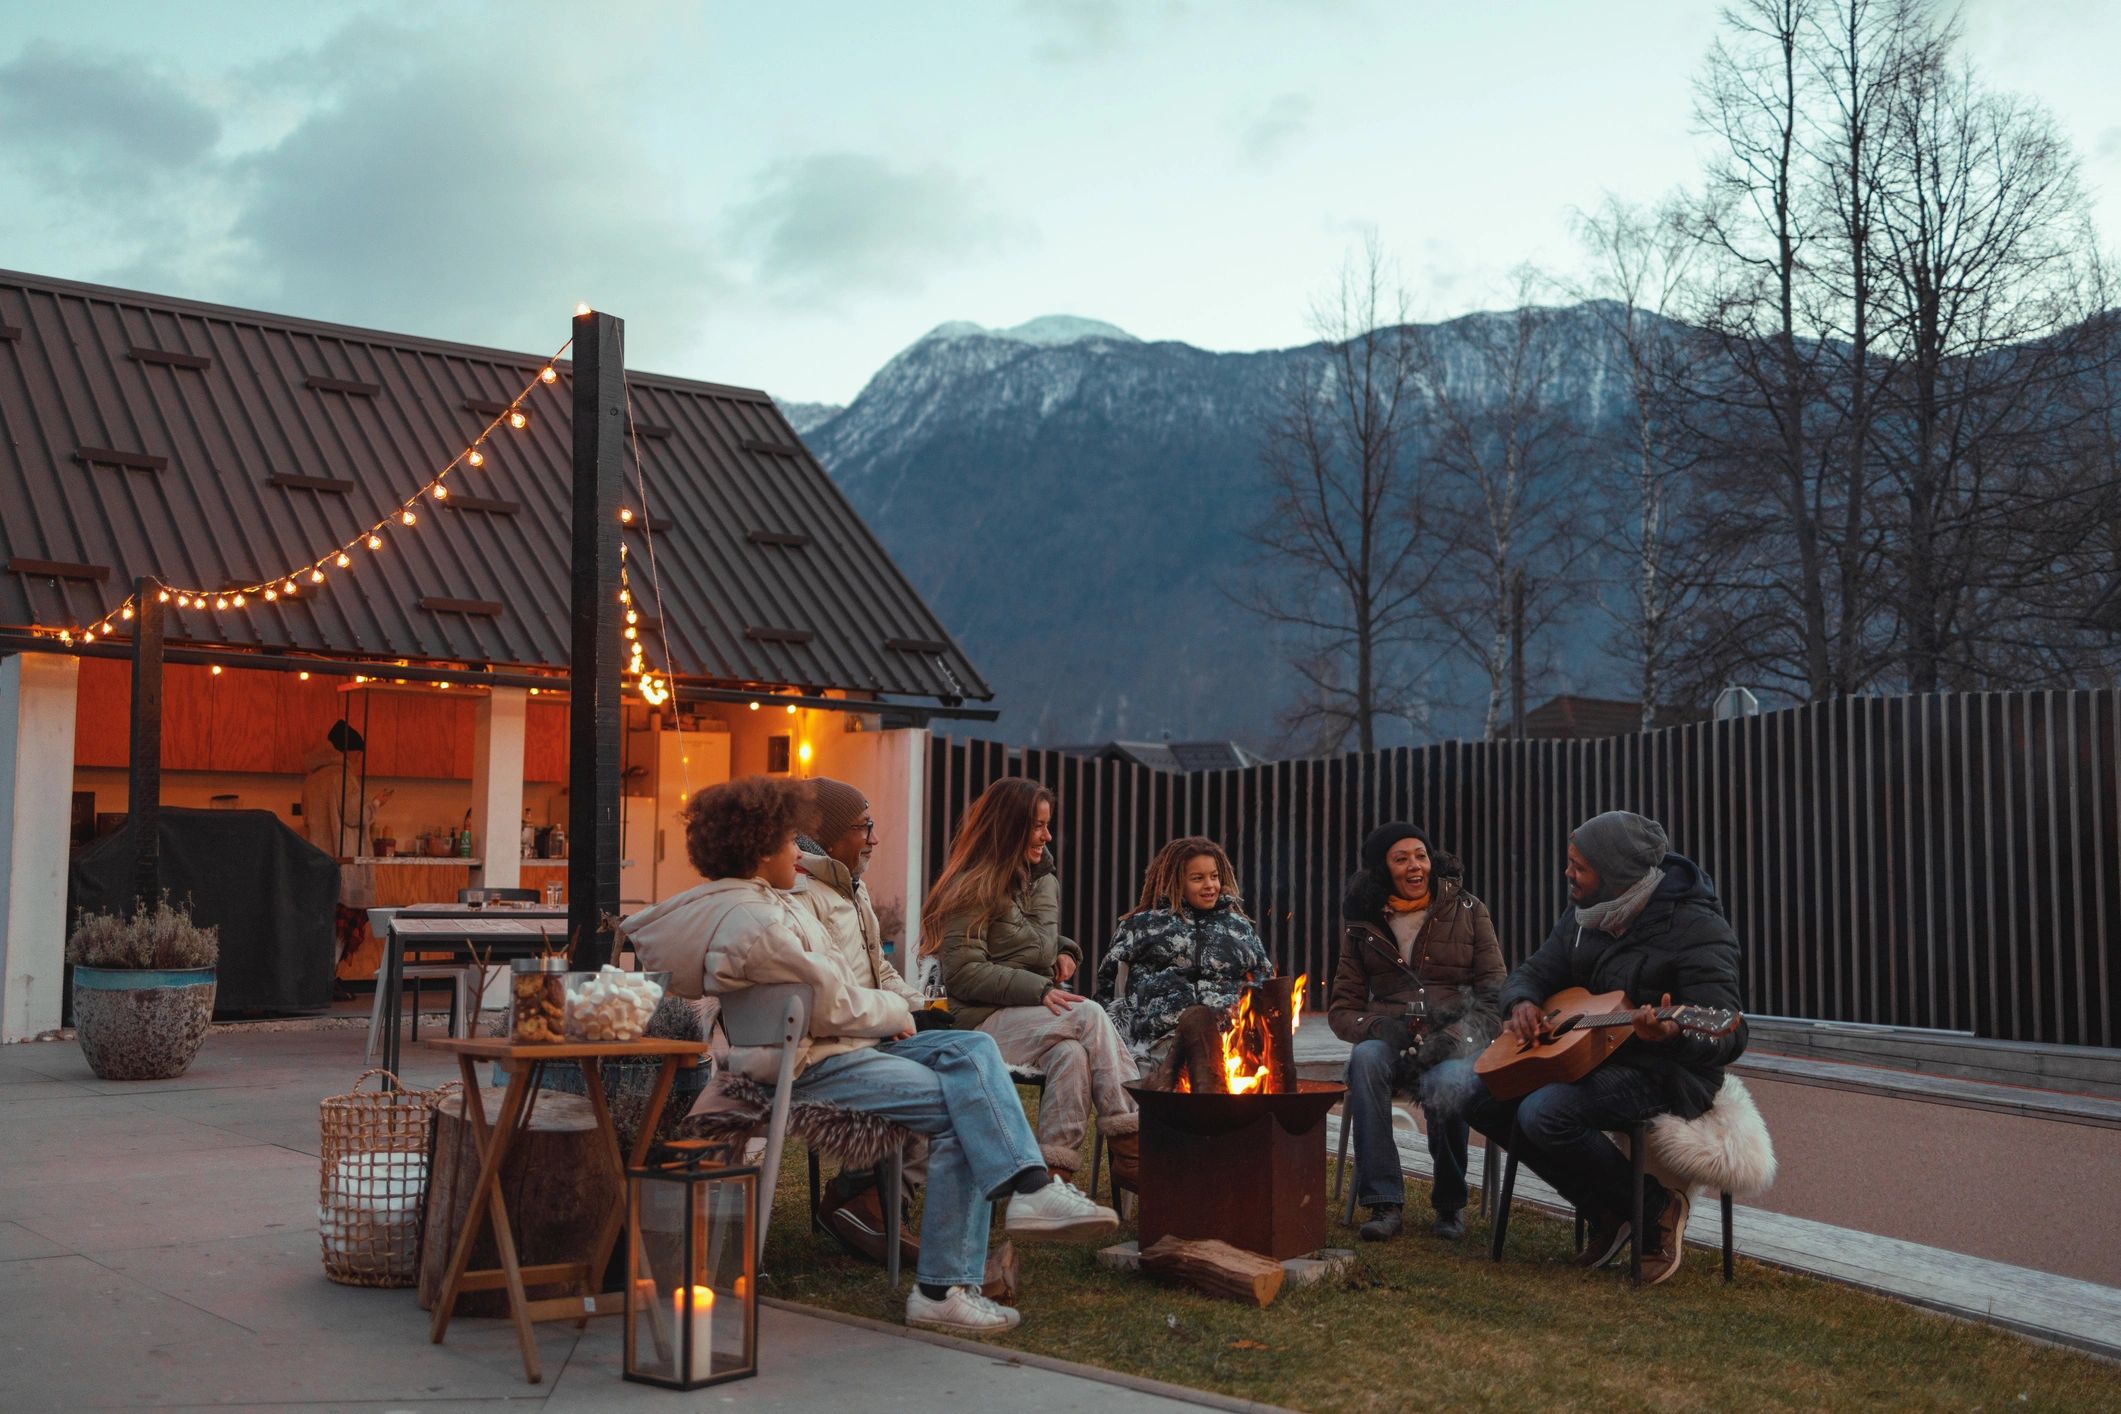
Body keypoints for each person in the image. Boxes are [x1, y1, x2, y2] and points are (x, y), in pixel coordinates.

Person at [626, 776, 1118, 1337]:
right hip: (815, 1063)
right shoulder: (760, 919)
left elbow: (843, 990)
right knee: (965, 1103)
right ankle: (946, 1283)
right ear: (761, 850)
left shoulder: (767, 905)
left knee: (974, 1046)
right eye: (791, 842)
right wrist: (899, 1013)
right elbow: (832, 1006)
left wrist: (911, 1008)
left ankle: (1026, 1191)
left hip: (838, 1047)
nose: (800, 852)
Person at [1466, 810, 1747, 1286]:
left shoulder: (1697, 928)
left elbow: (1729, 1032)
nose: (1567, 873)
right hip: (1590, 1057)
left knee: (1545, 1113)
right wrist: (1522, 1004)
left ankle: (1657, 1208)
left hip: (1665, 1071)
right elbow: (1533, 972)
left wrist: (1674, 1032)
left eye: (1579, 866)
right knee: (1479, 1097)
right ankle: (1609, 1210)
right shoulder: (1583, 918)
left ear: (1615, 876)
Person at [923, 777, 1140, 1186]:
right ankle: (1132, 1148)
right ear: (1008, 827)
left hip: (1025, 1019)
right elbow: (964, 973)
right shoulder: (967, 887)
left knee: (1073, 1054)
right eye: (1038, 826)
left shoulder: (1040, 878)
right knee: (1089, 1014)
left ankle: (1052, 1181)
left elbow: (1025, 937)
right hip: (978, 1025)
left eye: (1047, 824)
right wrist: (1039, 989)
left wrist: (1065, 949)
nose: (1048, 835)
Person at [1328, 822, 1505, 1243]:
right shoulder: (1362, 922)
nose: (1415, 866)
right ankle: (1384, 1202)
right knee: (1366, 1059)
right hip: (1394, 1039)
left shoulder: (1469, 910)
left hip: (1452, 1038)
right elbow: (1342, 1009)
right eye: (1401, 858)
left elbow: (1494, 998)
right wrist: (1379, 1028)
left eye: (1420, 855)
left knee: (1448, 1079)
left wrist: (1455, 1038)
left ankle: (1449, 1203)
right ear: (1381, 870)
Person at [787, 777, 935, 1270]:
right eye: (864, 826)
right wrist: (891, 1018)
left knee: (949, 1049)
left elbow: (879, 970)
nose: (873, 838)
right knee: (931, 1080)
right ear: (828, 835)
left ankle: (876, 1205)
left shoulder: (851, 886)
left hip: (870, 1021)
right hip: (838, 1039)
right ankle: (866, 1204)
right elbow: (833, 987)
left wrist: (919, 1006)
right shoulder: (803, 893)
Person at [1095, 836, 1273, 1070]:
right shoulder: (1142, 926)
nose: (1210, 885)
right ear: (1175, 881)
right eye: (1197, 879)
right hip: (1162, 1042)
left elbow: (1264, 980)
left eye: (1214, 876)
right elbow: (1107, 986)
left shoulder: (1238, 928)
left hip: (1230, 1041)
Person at [299, 721, 392, 974]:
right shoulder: (343, 777)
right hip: (343, 864)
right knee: (342, 926)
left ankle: (317, 977)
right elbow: (354, 815)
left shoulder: (313, 778)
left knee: (321, 923)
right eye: (359, 755)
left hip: (316, 862)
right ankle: (328, 977)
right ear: (350, 752)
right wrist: (376, 802)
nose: (359, 761)